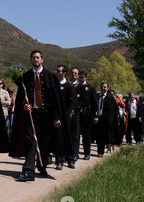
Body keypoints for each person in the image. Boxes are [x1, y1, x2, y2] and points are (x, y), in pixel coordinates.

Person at [9, 50, 70, 182]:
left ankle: (42, 167)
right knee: (30, 141)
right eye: (33, 58)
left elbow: (56, 100)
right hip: (30, 114)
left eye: (37, 58)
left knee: (43, 142)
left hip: (46, 115)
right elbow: (20, 98)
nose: (35, 60)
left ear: (42, 59)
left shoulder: (50, 76)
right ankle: (28, 171)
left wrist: (56, 117)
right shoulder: (25, 77)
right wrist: (24, 105)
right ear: (30, 60)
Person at [54, 65, 76, 170]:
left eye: (58, 71)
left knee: (69, 139)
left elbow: (71, 103)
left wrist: (65, 117)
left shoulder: (69, 86)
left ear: (64, 73)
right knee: (58, 140)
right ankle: (58, 161)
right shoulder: (54, 85)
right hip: (55, 117)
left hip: (66, 118)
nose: (56, 72)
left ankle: (71, 159)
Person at [74, 69, 98, 160]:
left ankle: (87, 152)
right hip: (77, 113)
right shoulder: (76, 87)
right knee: (76, 134)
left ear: (86, 77)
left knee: (86, 135)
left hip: (87, 114)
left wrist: (95, 115)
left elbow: (95, 102)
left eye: (82, 77)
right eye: (79, 77)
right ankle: (75, 154)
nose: (81, 79)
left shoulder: (91, 88)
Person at [96, 83, 119, 155]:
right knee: (99, 136)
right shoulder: (97, 96)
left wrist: (111, 119)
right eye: (102, 87)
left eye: (105, 87)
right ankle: (100, 152)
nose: (103, 88)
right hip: (98, 119)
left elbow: (115, 108)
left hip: (107, 120)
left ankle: (109, 148)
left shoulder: (110, 97)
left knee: (107, 136)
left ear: (107, 88)